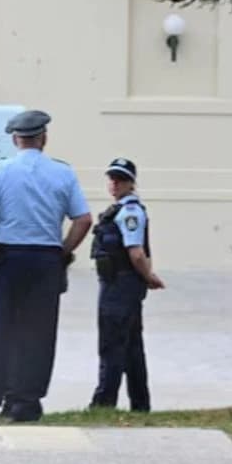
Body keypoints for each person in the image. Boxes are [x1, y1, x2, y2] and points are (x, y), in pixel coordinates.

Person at [0, 109, 92, 425]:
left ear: (16, 139)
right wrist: (63, 251)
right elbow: (83, 220)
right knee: (38, 334)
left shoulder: (0, 171)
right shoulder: (63, 173)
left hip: (7, 259)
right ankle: (24, 404)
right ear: (44, 138)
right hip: (45, 261)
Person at [88, 157, 164, 413]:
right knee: (131, 348)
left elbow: (136, 253)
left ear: (132, 183)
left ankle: (103, 402)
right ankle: (140, 405)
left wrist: (148, 276)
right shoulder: (118, 210)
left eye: (121, 179)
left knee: (112, 344)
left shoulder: (130, 212)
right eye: (112, 178)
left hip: (120, 286)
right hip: (119, 284)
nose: (115, 183)